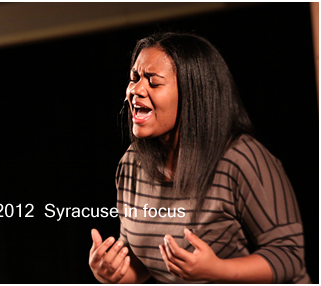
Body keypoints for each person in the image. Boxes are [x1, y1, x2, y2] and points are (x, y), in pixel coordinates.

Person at [88, 32, 310, 283]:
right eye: (134, 78)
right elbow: (144, 264)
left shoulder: (242, 159)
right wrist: (111, 272)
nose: (135, 90)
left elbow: (289, 256)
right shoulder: (131, 165)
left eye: (153, 82)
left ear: (192, 93)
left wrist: (218, 271)